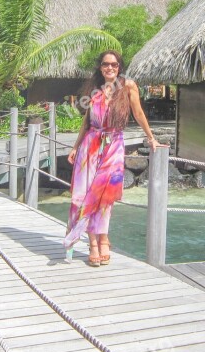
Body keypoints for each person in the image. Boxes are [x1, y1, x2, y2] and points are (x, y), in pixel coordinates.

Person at [64, 50, 165, 267]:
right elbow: (87, 122)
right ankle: (94, 243)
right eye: (105, 64)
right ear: (100, 67)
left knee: (104, 196)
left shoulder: (127, 86)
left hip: (114, 145)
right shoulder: (94, 91)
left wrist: (151, 138)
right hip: (90, 146)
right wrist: (75, 146)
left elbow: (138, 113)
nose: (110, 68)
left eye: (114, 64)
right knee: (85, 195)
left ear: (119, 67)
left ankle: (104, 237)